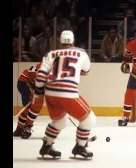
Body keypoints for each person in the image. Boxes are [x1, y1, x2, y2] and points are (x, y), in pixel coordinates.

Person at [34, 30, 97, 159]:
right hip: (67, 92)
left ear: (60, 41)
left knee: (59, 121)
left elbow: (40, 76)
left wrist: (39, 93)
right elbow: (85, 71)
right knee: (89, 118)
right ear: (73, 41)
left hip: (50, 93)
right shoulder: (82, 53)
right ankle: (80, 147)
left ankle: (46, 146)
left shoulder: (51, 54)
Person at [13, 62, 43, 139]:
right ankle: (27, 128)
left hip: (23, 83)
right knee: (36, 105)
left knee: (28, 108)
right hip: (24, 83)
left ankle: (19, 129)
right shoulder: (44, 68)